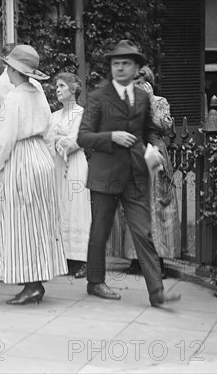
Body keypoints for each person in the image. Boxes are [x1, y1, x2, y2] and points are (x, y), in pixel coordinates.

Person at [77, 39, 181, 307]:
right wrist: (111, 136)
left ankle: (156, 292)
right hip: (105, 175)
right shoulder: (98, 97)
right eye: (115, 64)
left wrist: (151, 151)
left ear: (136, 69)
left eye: (125, 63)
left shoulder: (144, 97)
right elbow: (83, 137)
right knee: (100, 231)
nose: (120, 68)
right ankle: (95, 282)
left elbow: (146, 132)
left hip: (136, 176)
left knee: (143, 232)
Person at [0, 45, 68, 305]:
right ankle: (36, 280)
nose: (7, 70)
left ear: (14, 69)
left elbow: (5, 138)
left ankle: (31, 284)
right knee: (39, 221)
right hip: (41, 157)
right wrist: (46, 159)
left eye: (8, 67)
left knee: (21, 223)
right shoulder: (37, 93)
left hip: (21, 157)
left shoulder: (14, 97)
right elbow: (48, 130)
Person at [0, 43, 41, 282]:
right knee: (30, 215)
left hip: (7, 155)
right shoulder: (38, 89)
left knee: (1, 212)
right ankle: (31, 270)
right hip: (35, 156)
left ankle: (2, 265)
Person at [122, 66, 180, 279]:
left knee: (158, 205)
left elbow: (166, 128)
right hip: (135, 153)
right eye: (134, 83)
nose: (137, 86)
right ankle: (135, 258)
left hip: (155, 153)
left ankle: (159, 259)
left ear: (150, 83)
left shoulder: (160, 102)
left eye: (141, 83)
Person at [50, 72, 91, 279]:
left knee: (77, 208)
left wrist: (58, 138)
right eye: (56, 86)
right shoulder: (54, 116)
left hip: (75, 165)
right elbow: (45, 139)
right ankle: (64, 257)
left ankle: (82, 259)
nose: (57, 89)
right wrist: (59, 138)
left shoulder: (82, 113)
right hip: (57, 166)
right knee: (60, 206)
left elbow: (76, 141)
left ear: (73, 89)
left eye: (62, 86)